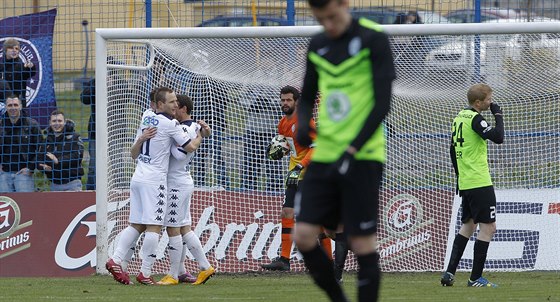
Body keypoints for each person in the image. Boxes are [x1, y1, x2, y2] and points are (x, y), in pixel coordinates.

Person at [293, 0, 396, 301]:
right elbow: (308, 95)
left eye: (332, 17)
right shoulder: (318, 44)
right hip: (325, 154)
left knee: (362, 243)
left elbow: (382, 104)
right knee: (304, 236)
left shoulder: (373, 38)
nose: (328, 25)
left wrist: (352, 149)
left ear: (344, 4)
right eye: (320, 19)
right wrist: (302, 124)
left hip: (363, 156)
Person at [106, 87, 201, 285]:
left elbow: (133, 154)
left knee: (137, 224)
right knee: (155, 227)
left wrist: (141, 138)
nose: (176, 104)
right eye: (171, 102)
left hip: (138, 176)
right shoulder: (171, 124)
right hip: (154, 181)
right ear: (159, 105)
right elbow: (189, 147)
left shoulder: (146, 116)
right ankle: (145, 273)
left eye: (176, 101)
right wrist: (201, 134)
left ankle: (116, 260)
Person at [261, 85, 332, 271]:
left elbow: (316, 148)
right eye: (282, 100)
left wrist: (300, 166)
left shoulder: (305, 121)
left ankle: (329, 261)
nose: (285, 103)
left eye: (288, 100)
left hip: (310, 174)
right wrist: (279, 151)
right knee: (287, 212)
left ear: (296, 102)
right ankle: (284, 260)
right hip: (294, 173)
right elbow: (290, 147)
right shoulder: (282, 123)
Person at [441, 83, 504, 288]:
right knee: (489, 227)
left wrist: (459, 177)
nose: (491, 102)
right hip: (479, 180)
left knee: (468, 225)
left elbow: (452, 150)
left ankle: (449, 273)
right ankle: (475, 278)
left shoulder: (459, 117)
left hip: (466, 181)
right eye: (488, 100)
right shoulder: (476, 119)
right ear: (478, 102)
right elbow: (498, 138)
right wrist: (499, 115)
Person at [157, 94, 215, 285]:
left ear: (183, 109)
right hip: (183, 180)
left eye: (176, 106)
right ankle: (205, 267)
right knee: (184, 228)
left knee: (173, 229)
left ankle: (173, 275)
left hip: (176, 183)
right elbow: (205, 133)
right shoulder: (193, 126)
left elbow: (181, 153)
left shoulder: (182, 128)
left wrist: (174, 141)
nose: (173, 109)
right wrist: (203, 133)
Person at [0, 94, 43, 192]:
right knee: (5, 205)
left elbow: (41, 148)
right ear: (5, 107)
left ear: (20, 106)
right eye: (10, 105)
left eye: (15, 105)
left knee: (26, 205)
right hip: (4, 174)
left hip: (24, 173)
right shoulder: (1, 125)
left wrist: (31, 167)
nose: (13, 108)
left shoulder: (32, 125)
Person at [36, 110, 84, 191]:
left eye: (59, 121)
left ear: (64, 122)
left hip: (73, 183)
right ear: (50, 123)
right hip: (54, 184)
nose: (57, 123)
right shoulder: (46, 141)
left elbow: (77, 156)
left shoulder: (75, 137)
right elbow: (39, 160)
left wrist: (58, 160)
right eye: (54, 121)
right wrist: (43, 168)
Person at [0, 38, 36, 108]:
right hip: (3, 105)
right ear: (5, 50)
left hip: (18, 105)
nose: (14, 50)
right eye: (11, 48)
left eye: (16, 49)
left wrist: (31, 67)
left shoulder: (22, 66)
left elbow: (31, 73)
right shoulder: (1, 67)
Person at [80, 78, 96, 190]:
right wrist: (95, 86)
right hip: (96, 132)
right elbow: (84, 99)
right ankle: (91, 191)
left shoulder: (120, 83)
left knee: (117, 164)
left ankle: (120, 190)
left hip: (116, 132)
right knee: (93, 165)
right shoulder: (94, 82)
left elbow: (125, 99)